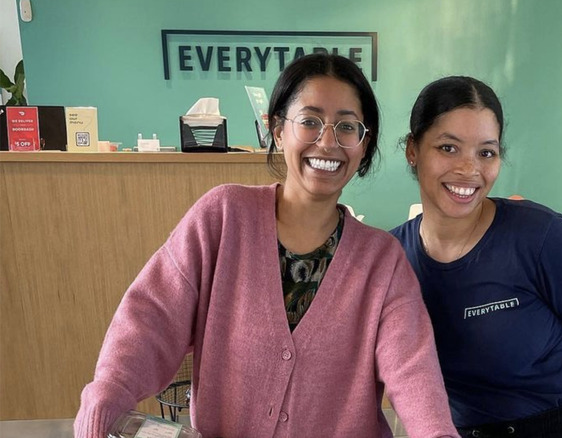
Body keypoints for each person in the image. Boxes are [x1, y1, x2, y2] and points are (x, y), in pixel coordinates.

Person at [74, 54, 458, 438]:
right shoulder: (222, 218)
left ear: (363, 143)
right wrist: (107, 395)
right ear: (277, 130)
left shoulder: (382, 260)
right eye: (309, 121)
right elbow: (150, 319)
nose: (328, 142)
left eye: (347, 126)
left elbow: (413, 370)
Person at [390, 76, 562, 438]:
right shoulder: (393, 257)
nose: (469, 170)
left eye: (486, 152)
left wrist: (561, 407)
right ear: (412, 150)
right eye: (448, 148)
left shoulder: (542, 236)